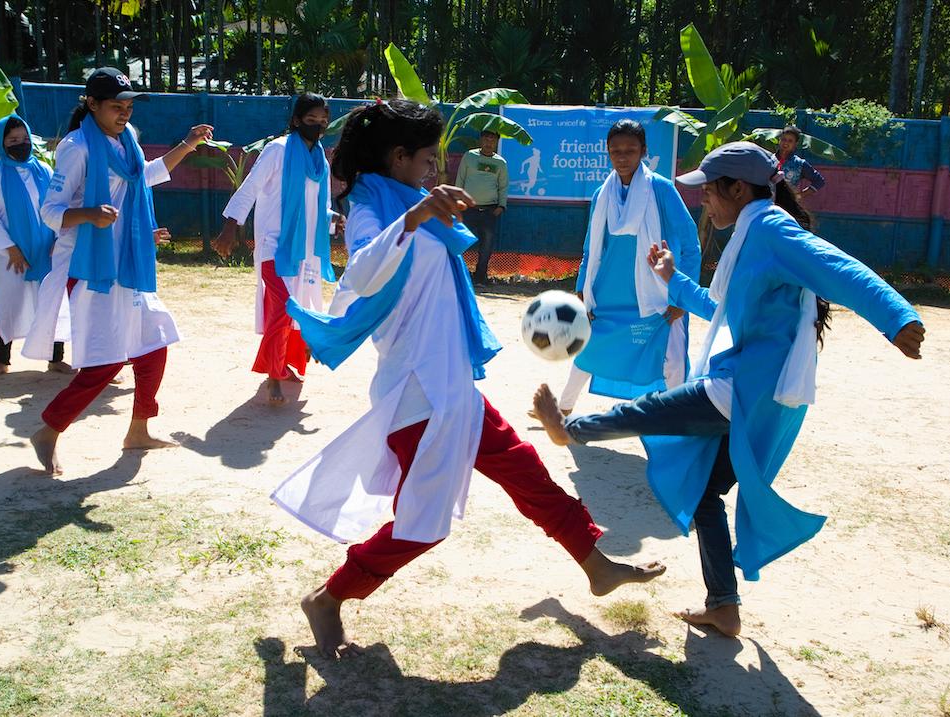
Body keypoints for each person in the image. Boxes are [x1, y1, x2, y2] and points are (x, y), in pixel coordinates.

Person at [270, 99, 666, 659]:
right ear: (398, 156)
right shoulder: (370, 209)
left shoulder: (411, 203)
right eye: (426, 159)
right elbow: (361, 272)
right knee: (422, 525)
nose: (434, 169)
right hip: (417, 395)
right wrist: (414, 218)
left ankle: (596, 565)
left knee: (527, 472)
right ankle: (328, 597)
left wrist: (422, 214)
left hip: (452, 385)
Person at [532, 142, 925, 637]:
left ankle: (569, 430)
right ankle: (724, 606)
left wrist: (897, 318)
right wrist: (672, 278)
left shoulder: (772, 230)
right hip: (755, 387)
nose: (704, 200)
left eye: (710, 191)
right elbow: (718, 308)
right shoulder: (751, 232)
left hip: (746, 387)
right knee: (704, 494)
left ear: (738, 189)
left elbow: (840, 268)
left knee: (652, 410)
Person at [23, 67, 212, 475]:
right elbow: (50, 211)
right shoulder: (76, 147)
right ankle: (48, 431)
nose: (124, 113)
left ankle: (138, 430)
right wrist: (90, 214)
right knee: (107, 361)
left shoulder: (128, 143)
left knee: (154, 343)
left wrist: (188, 144)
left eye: (128, 106)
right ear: (92, 104)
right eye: (116, 106)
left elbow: (144, 178)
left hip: (127, 263)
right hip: (90, 268)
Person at [533, 119, 699, 419]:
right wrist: (583, 290)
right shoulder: (602, 194)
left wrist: (682, 297)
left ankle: (678, 421)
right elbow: (591, 248)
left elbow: (690, 244)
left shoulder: (661, 189)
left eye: (630, 150)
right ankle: (563, 409)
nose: (622, 157)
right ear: (607, 152)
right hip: (608, 293)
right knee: (591, 350)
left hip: (655, 295)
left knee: (671, 358)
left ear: (644, 151)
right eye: (615, 151)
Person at [212, 93, 343, 404]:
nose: (318, 126)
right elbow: (250, 188)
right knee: (284, 308)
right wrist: (230, 228)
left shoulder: (319, 160)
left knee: (299, 308)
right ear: (296, 120)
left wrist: (333, 220)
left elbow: (319, 205)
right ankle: (273, 376)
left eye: (323, 121)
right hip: (275, 246)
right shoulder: (277, 150)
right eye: (311, 120)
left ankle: (286, 364)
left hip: (306, 250)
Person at [0, 114, 73, 378]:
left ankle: (55, 358)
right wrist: (10, 248)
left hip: (46, 250)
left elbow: (57, 206)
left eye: (25, 139)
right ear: (1, 143)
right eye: (13, 140)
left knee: (51, 302)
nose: (21, 144)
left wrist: (58, 239)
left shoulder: (45, 170)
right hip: (8, 255)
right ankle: (1, 360)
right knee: (5, 304)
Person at [454, 129, 508, 284]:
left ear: (497, 143)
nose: (489, 143)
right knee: (460, 242)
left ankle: (480, 277)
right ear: (480, 140)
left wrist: (501, 206)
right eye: (486, 139)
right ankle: (458, 275)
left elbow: (503, 186)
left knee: (486, 246)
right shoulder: (469, 156)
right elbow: (460, 179)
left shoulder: (500, 163)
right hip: (467, 209)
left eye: (492, 140)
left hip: (489, 211)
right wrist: (457, 201)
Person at [776, 125, 826, 195]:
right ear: (779, 140)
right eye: (783, 139)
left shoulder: (799, 164)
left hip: (787, 201)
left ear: (795, 144)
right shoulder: (769, 159)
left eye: (790, 141)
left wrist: (800, 195)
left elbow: (819, 181)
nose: (786, 143)